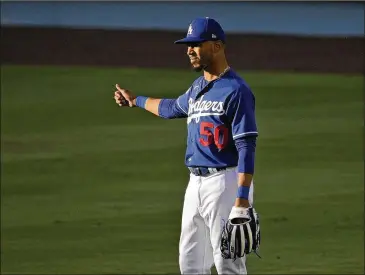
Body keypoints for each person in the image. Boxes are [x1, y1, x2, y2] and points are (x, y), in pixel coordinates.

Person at [114, 17, 260, 275]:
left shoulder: (237, 91)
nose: (189, 50)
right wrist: (135, 100)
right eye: (187, 45)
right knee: (190, 264)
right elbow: (171, 108)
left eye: (195, 44)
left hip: (225, 183)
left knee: (229, 264)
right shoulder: (197, 88)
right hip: (195, 184)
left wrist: (242, 199)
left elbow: (247, 146)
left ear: (216, 46)